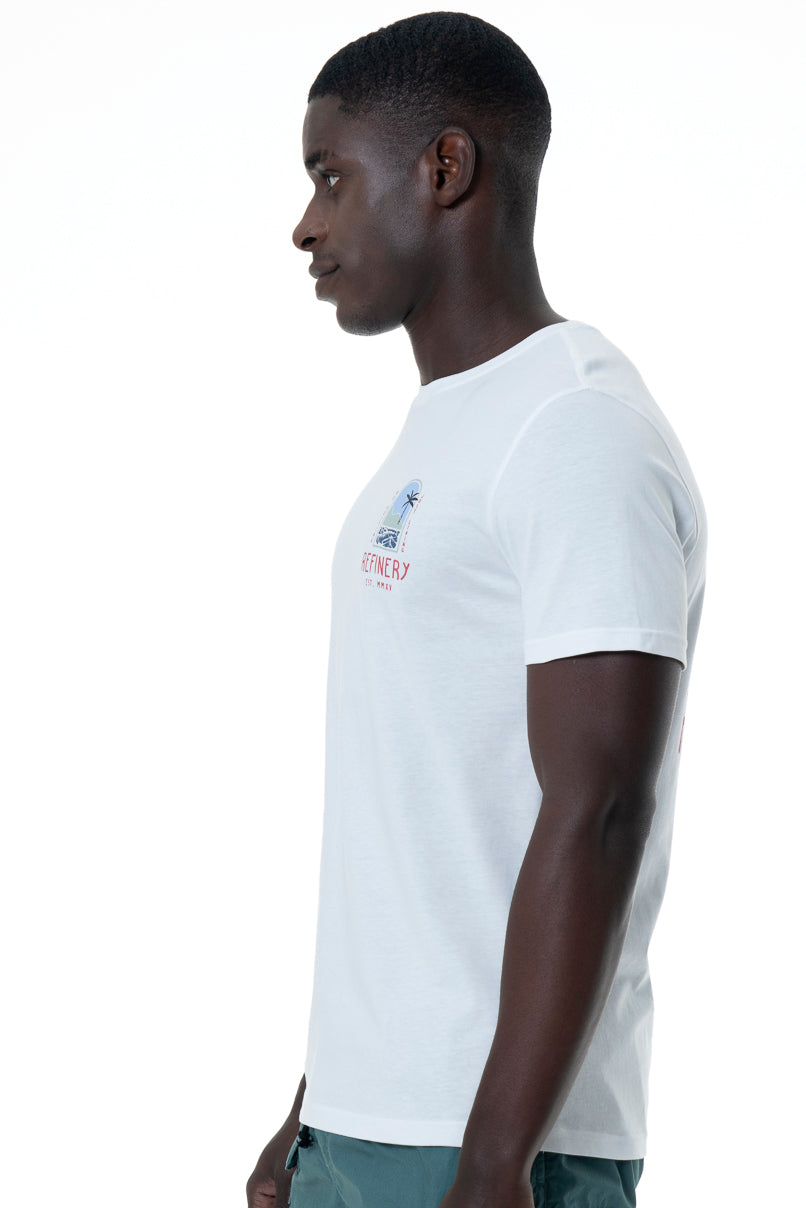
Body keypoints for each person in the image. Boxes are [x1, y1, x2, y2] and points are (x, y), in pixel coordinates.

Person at [247, 12, 706, 1208]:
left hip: (490, 1148)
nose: (305, 225)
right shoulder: (452, 424)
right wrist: (313, 1106)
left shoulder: (574, 429)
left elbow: (598, 806)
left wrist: (496, 1158)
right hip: (370, 1127)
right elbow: (419, 813)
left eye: (330, 177)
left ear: (444, 167)